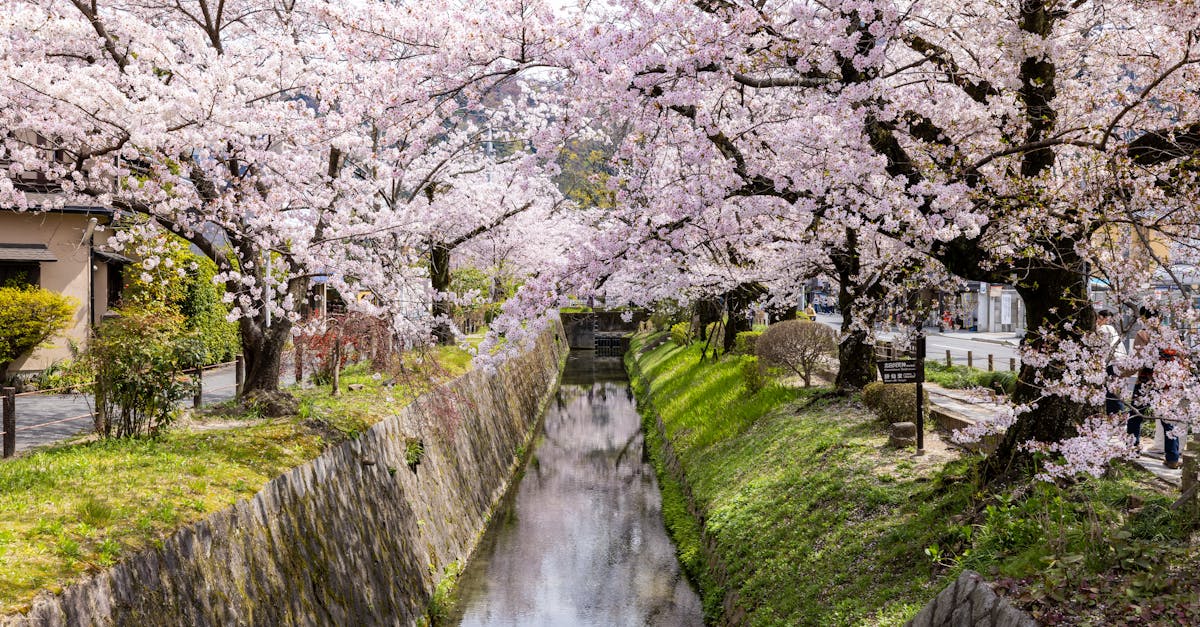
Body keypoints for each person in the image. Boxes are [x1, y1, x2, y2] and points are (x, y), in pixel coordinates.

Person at [1096, 309, 1127, 416]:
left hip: (1112, 363)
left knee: (1112, 393)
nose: (1096, 321)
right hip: (1119, 362)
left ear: (1104, 318)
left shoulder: (1104, 329)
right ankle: (1117, 417)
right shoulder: (1112, 330)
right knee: (1115, 391)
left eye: (1098, 318)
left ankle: (1117, 417)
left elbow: (1101, 348)